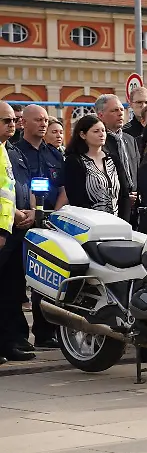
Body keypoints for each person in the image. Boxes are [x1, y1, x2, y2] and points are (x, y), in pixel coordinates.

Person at [17, 104, 67, 349]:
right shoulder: (15, 152)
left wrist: (54, 215)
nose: (43, 124)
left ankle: (46, 333)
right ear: (24, 123)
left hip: (50, 224)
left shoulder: (55, 155)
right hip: (22, 222)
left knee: (48, 279)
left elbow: (64, 188)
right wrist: (30, 213)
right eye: (38, 120)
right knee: (17, 282)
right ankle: (17, 337)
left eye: (46, 120)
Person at [0, 101, 34, 363]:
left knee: (11, 289)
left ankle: (8, 343)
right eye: (6, 120)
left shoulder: (7, 150)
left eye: (14, 120)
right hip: (2, 229)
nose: (12, 125)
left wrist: (22, 213)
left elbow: (10, 189)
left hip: (11, 228)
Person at [63, 114, 127, 216]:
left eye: (103, 130)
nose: (102, 134)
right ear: (83, 135)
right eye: (96, 131)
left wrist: (123, 220)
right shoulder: (74, 161)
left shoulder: (113, 159)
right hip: (88, 220)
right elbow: (76, 198)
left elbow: (124, 195)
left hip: (116, 221)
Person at [95, 94, 140, 223]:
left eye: (121, 109)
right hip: (111, 208)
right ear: (101, 115)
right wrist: (123, 196)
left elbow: (137, 169)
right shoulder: (98, 142)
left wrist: (138, 194)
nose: (120, 113)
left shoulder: (130, 139)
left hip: (135, 208)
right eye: (114, 110)